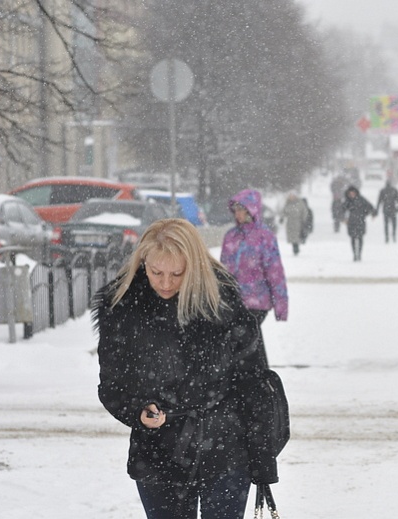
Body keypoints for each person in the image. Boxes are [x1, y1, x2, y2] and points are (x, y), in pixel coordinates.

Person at [94, 218, 279, 519]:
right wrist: (137, 410)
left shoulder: (223, 302)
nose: (165, 283)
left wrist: (262, 459)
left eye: (176, 273)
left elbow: (255, 382)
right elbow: (112, 385)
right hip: (158, 455)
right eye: (156, 272)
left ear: (193, 266)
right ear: (143, 262)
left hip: (226, 451)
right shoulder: (123, 308)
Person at [221, 189, 289, 335]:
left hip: (256, 303)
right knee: (241, 345)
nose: (237, 213)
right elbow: (222, 271)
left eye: (241, 209)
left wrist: (281, 306)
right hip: (232, 302)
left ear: (251, 210)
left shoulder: (265, 237)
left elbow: (275, 273)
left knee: (245, 340)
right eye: (235, 209)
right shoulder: (231, 236)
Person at [342, 185, 375, 261]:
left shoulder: (361, 200)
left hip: (360, 222)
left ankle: (359, 254)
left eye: (353, 193)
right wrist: (343, 218)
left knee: (360, 238)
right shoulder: (347, 201)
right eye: (350, 193)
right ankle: (354, 254)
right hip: (351, 223)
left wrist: (371, 213)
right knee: (353, 238)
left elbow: (370, 207)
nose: (352, 194)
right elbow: (342, 210)